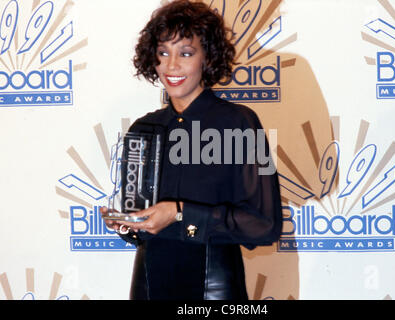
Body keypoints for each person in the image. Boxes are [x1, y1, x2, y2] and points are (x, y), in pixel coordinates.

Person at [102, 0, 283, 300]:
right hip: (149, 281)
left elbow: (264, 224)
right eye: (163, 53)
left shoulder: (240, 123)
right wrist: (127, 223)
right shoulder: (143, 130)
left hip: (213, 286)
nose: (172, 66)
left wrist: (179, 214)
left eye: (185, 53)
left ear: (207, 57)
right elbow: (142, 225)